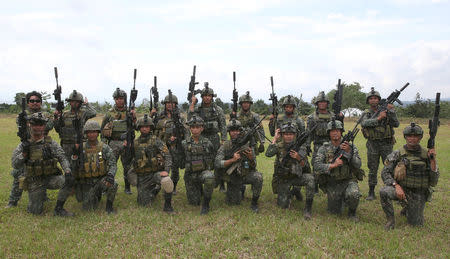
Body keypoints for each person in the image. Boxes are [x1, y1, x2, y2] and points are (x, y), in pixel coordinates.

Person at [11, 112, 73, 216]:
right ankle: (36, 199)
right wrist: (24, 155)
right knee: (35, 212)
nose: (37, 127)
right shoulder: (24, 145)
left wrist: (67, 170)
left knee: (69, 180)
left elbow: (62, 157)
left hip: (50, 178)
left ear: (44, 126)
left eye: (40, 124)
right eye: (34, 124)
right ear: (30, 125)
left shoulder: (50, 143)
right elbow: (15, 164)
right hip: (34, 181)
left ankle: (59, 208)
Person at [379, 123, 439, 230]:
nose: (412, 139)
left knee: (415, 224)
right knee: (384, 192)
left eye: (415, 136)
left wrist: (433, 161)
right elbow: (385, 172)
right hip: (402, 189)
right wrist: (396, 185)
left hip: (418, 193)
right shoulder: (398, 153)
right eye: (409, 136)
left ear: (420, 138)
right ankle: (390, 220)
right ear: (405, 137)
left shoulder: (426, 155)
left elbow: (434, 182)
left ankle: (408, 207)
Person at [6, 91, 54, 208]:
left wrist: (34, 122)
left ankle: (43, 196)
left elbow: (49, 125)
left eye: (37, 101)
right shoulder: (22, 115)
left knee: (42, 170)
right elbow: (21, 127)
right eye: (32, 101)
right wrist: (24, 120)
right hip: (27, 145)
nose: (35, 103)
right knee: (20, 174)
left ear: (41, 103)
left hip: (41, 146)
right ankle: (13, 201)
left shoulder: (46, 115)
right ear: (28, 103)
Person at [313, 120, 363, 222]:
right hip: (332, 182)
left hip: (348, 180)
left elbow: (358, 164)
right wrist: (332, 165)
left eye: (337, 130)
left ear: (341, 132)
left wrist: (349, 153)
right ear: (328, 133)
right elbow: (316, 166)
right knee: (334, 212)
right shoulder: (324, 148)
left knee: (353, 194)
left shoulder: (351, 147)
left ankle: (352, 213)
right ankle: (341, 198)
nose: (335, 133)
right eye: (332, 131)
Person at [265, 122, 315, 220]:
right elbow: (268, 154)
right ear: (282, 135)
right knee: (283, 206)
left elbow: (306, 167)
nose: (288, 137)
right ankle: (291, 193)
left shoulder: (301, 147)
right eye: (286, 134)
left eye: (291, 134)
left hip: (297, 177)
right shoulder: (279, 146)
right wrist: (275, 139)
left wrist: (298, 158)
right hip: (283, 179)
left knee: (310, 179)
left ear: (295, 135)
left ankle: (308, 208)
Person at [128, 115, 174, 212]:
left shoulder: (156, 141)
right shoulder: (134, 143)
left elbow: (167, 156)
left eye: (147, 126)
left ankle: (168, 206)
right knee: (143, 203)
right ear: (139, 128)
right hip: (142, 177)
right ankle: (155, 189)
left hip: (155, 174)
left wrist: (166, 171)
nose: (145, 129)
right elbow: (130, 160)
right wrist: (126, 148)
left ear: (150, 128)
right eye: (142, 127)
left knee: (167, 180)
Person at [70, 120, 118, 214]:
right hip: (86, 182)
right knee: (87, 208)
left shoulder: (104, 147)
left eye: (94, 132)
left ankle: (109, 207)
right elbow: (73, 167)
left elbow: (113, 163)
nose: (92, 134)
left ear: (98, 133)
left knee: (113, 184)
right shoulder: (80, 148)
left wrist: (111, 175)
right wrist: (75, 156)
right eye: (89, 132)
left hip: (100, 180)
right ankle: (94, 195)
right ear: (86, 134)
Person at [215, 119, 263, 212]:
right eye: (233, 130)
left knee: (258, 177)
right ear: (229, 132)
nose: (235, 133)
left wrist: (250, 158)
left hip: (245, 174)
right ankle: (240, 189)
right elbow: (217, 163)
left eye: (237, 130)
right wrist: (232, 160)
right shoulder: (225, 145)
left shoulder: (247, 145)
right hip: (232, 177)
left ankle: (254, 202)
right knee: (233, 203)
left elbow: (254, 165)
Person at [360, 87, 399, 200]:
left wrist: (391, 112)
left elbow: (396, 124)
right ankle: (371, 192)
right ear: (368, 101)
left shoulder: (387, 110)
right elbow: (364, 124)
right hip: (373, 144)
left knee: (390, 167)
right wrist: (379, 118)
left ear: (379, 100)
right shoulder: (366, 113)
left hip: (387, 143)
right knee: (372, 168)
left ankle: (393, 190)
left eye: (375, 98)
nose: (373, 100)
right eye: (371, 98)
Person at [188, 84, 227, 191]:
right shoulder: (197, 108)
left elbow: (223, 125)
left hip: (214, 138)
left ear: (212, 97)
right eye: (204, 96)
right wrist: (192, 103)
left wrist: (224, 140)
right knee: (201, 159)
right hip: (202, 138)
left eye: (209, 96)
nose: (207, 97)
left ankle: (221, 182)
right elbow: (190, 119)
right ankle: (202, 180)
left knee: (218, 160)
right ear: (202, 97)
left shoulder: (217, 109)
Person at [268, 95, 306, 201]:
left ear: (294, 108)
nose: (288, 109)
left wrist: (303, 149)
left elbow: (303, 136)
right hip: (281, 149)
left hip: (295, 148)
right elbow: (272, 133)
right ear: (284, 107)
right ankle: (282, 189)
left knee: (299, 169)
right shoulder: (279, 119)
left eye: (291, 107)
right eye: (287, 107)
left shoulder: (299, 120)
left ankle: (296, 189)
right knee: (280, 169)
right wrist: (271, 121)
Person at [101, 88, 136, 194]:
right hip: (113, 143)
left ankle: (127, 187)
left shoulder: (129, 112)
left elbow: (135, 127)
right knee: (110, 165)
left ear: (124, 99)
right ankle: (106, 186)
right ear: (114, 100)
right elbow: (102, 130)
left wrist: (133, 117)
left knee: (127, 166)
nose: (119, 101)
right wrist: (103, 143)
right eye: (117, 99)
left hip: (126, 142)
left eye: (121, 98)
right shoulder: (109, 113)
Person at [307, 91, 343, 193]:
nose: (322, 104)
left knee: (332, 163)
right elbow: (309, 133)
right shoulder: (312, 117)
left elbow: (339, 130)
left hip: (331, 144)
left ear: (327, 103)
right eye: (320, 102)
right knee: (316, 164)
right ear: (317, 104)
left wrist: (341, 119)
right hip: (318, 144)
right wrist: (307, 145)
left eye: (324, 102)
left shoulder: (333, 116)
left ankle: (330, 184)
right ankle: (315, 187)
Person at [153, 93, 189, 195]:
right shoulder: (159, 116)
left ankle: (173, 187)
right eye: (167, 103)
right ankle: (158, 185)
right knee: (160, 166)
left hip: (175, 147)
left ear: (175, 104)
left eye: (172, 103)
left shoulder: (180, 117)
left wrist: (184, 143)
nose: (169, 105)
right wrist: (152, 114)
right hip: (161, 146)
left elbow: (186, 131)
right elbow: (151, 127)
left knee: (175, 168)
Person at [182, 115, 216, 215]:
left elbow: (213, 157)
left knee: (209, 178)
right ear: (190, 128)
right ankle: (198, 189)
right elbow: (180, 160)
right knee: (194, 202)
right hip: (190, 175)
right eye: (193, 127)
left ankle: (206, 204)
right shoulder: (184, 143)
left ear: (202, 128)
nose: (195, 130)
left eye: (197, 127)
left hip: (203, 173)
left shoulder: (207, 143)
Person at [54, 90, 96, 160]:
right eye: (72, 101)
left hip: (80, 144)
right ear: (69, 102)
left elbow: (93, 113)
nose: (74, 103)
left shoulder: (83, 113)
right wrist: (55, 118)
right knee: (67, 165)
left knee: (81, 165)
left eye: (77, 102)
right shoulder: (64, 114)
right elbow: (58, 129)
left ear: (80, 103)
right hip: (66, 144)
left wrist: (87, 104)